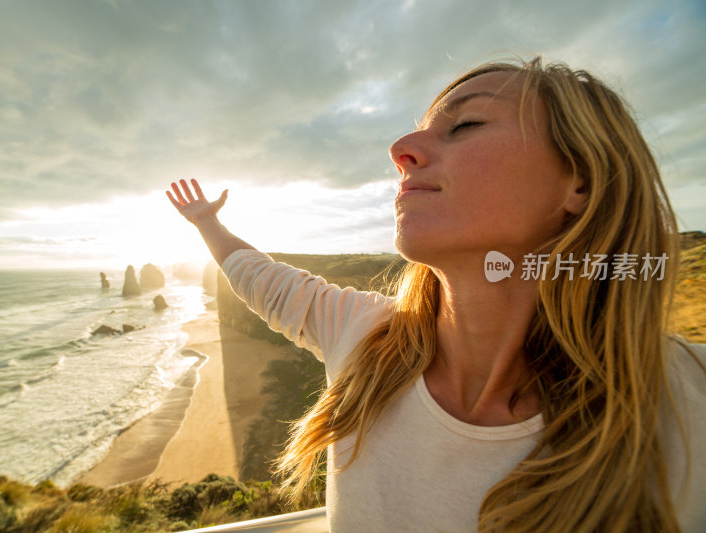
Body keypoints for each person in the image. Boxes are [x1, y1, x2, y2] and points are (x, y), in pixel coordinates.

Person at [166, 57, 706, 532]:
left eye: (464, 124)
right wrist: (206, 225)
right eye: (417, 131)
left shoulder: (687, 403)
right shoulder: (367, 342)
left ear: (579, 181)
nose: (400, 150)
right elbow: (264, 281)